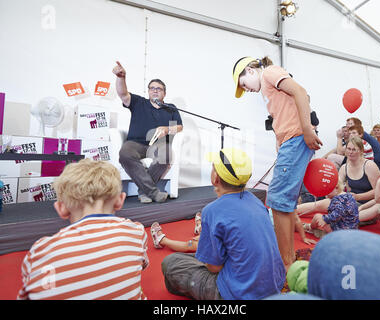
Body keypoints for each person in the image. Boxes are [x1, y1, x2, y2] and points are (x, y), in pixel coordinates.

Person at [232, 56, 322, 270]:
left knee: (278, 200)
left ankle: (286, 263)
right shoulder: (266, 88)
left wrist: (307, 129)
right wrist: (280, 141)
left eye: (244, 84)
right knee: (284, 202)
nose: (247, 90)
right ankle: (288, 257)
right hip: (290, 140)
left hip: (297, 136)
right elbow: (284, 113)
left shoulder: (270, 72)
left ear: (251, 70)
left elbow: (301, 92)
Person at [161, 148, 286, 300]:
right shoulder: (256, 202)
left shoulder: (212, 211)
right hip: (274, 285)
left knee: (171, 263)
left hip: (238, 294)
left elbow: (214, 268)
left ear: (216, 178)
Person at [17, 159, 149, 300]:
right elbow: (141, 264)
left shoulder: (40, 251)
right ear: (120, 200)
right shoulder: (135, 231)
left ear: (61, 208)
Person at [112, 61, 183, 204]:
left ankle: (144, 191)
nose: (155, 90)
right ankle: (153, 192)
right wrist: (121, 78)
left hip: (159, 146)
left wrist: (167, 129)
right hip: (135, 143)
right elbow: (123, 94)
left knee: (167, 154)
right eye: (152, 88)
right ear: (148, 91)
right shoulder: (139, 102)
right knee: (125, 154)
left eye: (159, 88)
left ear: (164, 93)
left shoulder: (171, 108)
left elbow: (179, 127)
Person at [338, 136, 380, 205]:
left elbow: (379, 191)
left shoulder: (369, 166)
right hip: (352, 202)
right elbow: (338, 187)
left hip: (369, 204)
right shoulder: (344, 167)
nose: (350, 152)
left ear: (361, 151)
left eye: (354, 149)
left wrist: (358, 197)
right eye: (349, 149)